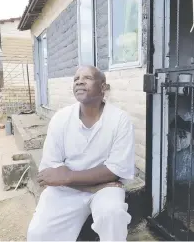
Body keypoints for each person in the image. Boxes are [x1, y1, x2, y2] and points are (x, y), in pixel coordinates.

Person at [27, 65, 135, 241]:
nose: (79, 82)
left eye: (87, 78)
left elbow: (115, 170)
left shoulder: (120, 120)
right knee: (38, 233)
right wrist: (89, 185)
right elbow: (49, 175)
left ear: (102, 88)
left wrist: (68, 176)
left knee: (113, 214)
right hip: (68, 190)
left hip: (105, 189)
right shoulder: (61, 118)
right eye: (76, 79)